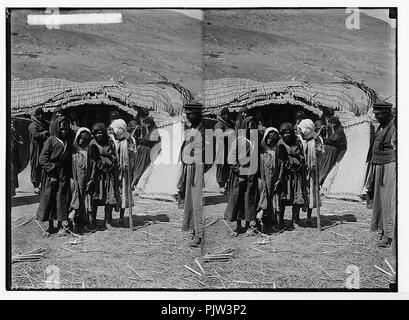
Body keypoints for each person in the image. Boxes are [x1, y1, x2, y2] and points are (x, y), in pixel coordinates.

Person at [365, 101, 396, 248]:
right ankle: (384, 230)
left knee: (388, 201)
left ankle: (389, 235)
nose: (376, 117)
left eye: (378, 115)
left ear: (386, 114)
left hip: (389, 166)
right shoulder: (381, 127)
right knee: (379, 201)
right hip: (378, 165)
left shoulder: (395, 128)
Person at [36, 116, 73, 236]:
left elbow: (68, 161)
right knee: (50, 198)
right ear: (57, 128)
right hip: (51, 175)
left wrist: (70, 176)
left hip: (63, 174)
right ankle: (50, 226)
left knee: (62, 198)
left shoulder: (68, 141)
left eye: (66, 129)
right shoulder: (50, 140)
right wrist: (52, 172)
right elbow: (42, 159)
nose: (64, 132)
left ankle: (61, 225)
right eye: (62, 129)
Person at [224, 115, 259, 235]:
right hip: (240, 176)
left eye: (253, 127)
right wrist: (240, 171)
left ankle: (248, 225)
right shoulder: (239, 140)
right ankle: (238, 226)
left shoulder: (255, 141)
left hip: (251, 176)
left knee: (249, 199)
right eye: (249, 127)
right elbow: (231, 159)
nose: (251, 130)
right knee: (238, 200)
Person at [179, 102, 206, 247]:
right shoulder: (193, 128)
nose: (188, 116)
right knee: (191, 200)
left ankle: (199, 236)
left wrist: (201, 169)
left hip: (198, 168)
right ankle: (195, 229)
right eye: (187, 114)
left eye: (190, 114)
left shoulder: (204, 130)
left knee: (197, 202)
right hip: (191, 167)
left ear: (197, 114)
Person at [90, 123, 121, 230]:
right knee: (95, 199)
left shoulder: (110, 142)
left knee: (109, 198)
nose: (98, 135)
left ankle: (108, 221)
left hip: (109, 174)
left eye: (100, 132)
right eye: (96, 133)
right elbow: (91, 158)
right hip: (97, 175)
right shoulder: (92, 144)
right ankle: (93, 221)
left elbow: (114, 156)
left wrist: (109, 158)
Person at [257, 127, 287, 232]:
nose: (270, 141)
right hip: (264, 180)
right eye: (269, 138)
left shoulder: (277, 150)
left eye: (273, 139)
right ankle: (264, 222)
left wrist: (279, 179)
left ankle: (275, 223)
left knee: (275, 201)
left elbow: (282, 164)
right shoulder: (261, 150)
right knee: (265, 199)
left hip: (275, 180)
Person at [279, 123, 308, 228]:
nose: (286, 135)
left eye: (288, 132)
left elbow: (302, 155)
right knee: (282, 198)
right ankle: (280, 221)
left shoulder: (297, 141)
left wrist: (297, 160)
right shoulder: (280, 143)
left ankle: (295, 220)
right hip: (284, 175)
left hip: (296, 174)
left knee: (297, 197)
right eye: (284, 133)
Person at [70, 127, 98, 232]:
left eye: (86, 140)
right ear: (77, 138)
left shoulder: (89, 150)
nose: (83, 142)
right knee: (76, 199)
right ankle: (73, 222)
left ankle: (85, 223)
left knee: (86, 201)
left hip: (87, 180)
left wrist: (91, 179)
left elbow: (93, 164)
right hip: (76, 180)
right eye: (82, 139)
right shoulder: (73, 150)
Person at [110, 119, 136, 226]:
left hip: (125, 171)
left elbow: (134, 153)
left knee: (124, 194)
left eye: (115, 129)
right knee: (113, 193)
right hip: (113, 170)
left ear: (121, 129)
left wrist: (130, 151)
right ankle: (109, 218)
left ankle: (121, 217)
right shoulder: (111, 139)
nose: (113, 131)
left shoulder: (129, 139)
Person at [297, 119, 322, 227]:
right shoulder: (298, 139)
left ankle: (308, 217)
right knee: (300, 192)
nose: (300, 132)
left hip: (312, 171)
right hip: (300, 171)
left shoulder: (316, 140)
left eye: (302, 130)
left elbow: (322, 153)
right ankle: (296, 217)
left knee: (311, 192)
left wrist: (317, 151)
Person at [318, 116, 347, 185]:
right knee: (323, 166)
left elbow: (334, 138)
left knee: (326, 168)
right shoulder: (334, 129)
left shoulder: (339, 130)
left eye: (333, 123)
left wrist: (332, 128)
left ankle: (320, 182)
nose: (332, 125)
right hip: (328, 151)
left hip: (332, 151)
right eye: (331, 123)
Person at [28, 107, 50, 194]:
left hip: (43, 147)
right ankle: (35, 185)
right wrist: (44, 133)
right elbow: (36, 135)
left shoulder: (43, 123)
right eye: (39, 115)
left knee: (43, 164)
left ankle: (42, 184)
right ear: (36, 116)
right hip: (36, 147)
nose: (41, 116)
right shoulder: (33, 125)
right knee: (36, 165)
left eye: (42, 114)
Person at [214, 107, 235, 194]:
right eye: (225, 115)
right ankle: (221, 185)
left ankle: (226, 184)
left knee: (227, 166)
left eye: (227, 114)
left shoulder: (229, 124)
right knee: (221, 167)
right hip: (221, 149)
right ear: (222, 116)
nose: (227, 116)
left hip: (228, 148)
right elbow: (219, 136)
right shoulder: (218, 125)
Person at [11, 119, 24, 197]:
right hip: (11, 153)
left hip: (14, 152)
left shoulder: (14, 131)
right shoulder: (13, 131)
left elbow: (20, 141)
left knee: (13, 172)